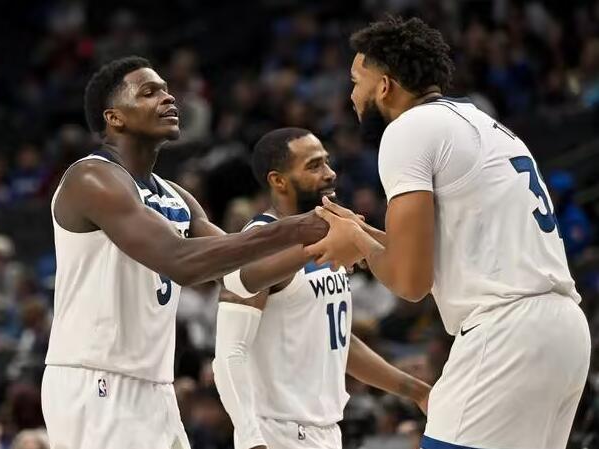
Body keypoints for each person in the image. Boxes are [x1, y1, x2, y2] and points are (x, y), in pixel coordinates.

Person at [304, 17, 591, 449]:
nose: (351, 96)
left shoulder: (408, 130)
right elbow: (443, 252)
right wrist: (364, 233)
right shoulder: (483, 124)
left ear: (385, 86)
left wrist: (356, 240)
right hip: (563, 330)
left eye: (356, 82)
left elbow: (411, 282)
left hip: (506, 332)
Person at [41, 56, 330, 449]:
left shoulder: (176, 197)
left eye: (166, 90)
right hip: (95, 378)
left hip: (155, 384)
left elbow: (242, 275)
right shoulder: (90, 178)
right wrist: (293, 228)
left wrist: (324, 244)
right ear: (114, 118)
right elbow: (180, 261)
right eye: (149, 92)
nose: (168, 97)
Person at [212, 128, 430, 449]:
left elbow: (336, 341)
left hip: (324, 431)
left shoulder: (327, 237)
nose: (330, 173)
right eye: (314, 166)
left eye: (327, 162)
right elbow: (229, 354)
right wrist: (251, 439)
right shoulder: (260, 245)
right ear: (278, 181)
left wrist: (417, 392)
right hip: (278, 432)